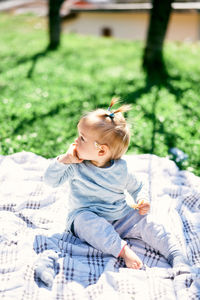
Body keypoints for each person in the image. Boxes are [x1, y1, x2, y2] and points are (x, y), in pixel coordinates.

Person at [36, 98, 188, 287]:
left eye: (82, 138)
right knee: (87, 223)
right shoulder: (75, 165)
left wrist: (142, 198)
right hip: (85, 216)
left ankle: (175, 254)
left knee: (152, 224)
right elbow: (50, 181)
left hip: (121, 217)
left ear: (101, 151)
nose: (75, 141)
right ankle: (122, 250)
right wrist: (63, 160)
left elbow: (138, 185)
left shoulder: (120, 170)